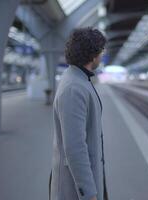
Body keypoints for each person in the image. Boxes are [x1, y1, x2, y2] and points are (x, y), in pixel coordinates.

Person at [50, 27, 107, 200]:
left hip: (84, 181)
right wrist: (89, 194)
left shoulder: (79, 79)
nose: (102, 55)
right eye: (101, 51)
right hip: (74, 190)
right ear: (92, 54)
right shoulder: (74, 88)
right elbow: (75, 149)